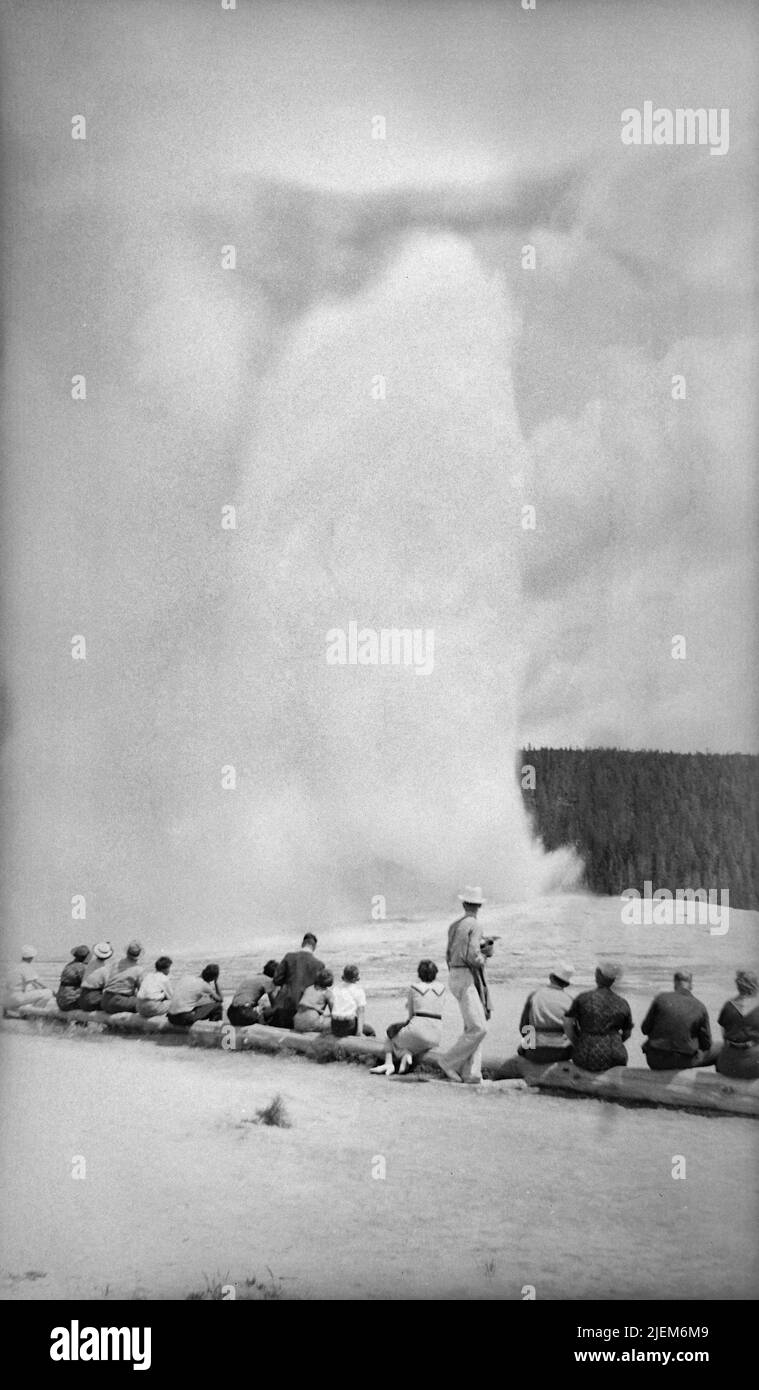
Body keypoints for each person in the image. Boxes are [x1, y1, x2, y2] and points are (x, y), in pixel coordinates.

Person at [437, 888, 495, 1085]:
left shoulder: (454, 926)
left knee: (472, 1025)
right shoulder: (476, 925)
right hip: (466, 976)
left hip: (454, 974)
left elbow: (448, 953)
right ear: (479, 906)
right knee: (479, 1028)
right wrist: (486, 954)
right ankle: (447, 1061)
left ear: (464, 904)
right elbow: (473, 956)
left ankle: (472, 1073)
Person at [371, 960, 446, 1077]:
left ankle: (391, 1062)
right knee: (410, 1039)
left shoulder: (414, 987)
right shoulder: (442, 987)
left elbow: (411, 1016)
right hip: (437, 1035)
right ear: (435, 973)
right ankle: (406, 1054)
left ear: (419, 974)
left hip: (418, 1030)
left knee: (391, 1034)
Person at [640, 969, 719, 1070]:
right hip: (682, 1061)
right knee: (721, 1048)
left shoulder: (660, 998)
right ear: (691, 985)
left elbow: (644, 1029)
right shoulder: (700, 1006)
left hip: (654, 1060)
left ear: (675, 983)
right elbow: (706, 1044)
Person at [563, 962, 633, 1072]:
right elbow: (627, 1034)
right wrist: (615, 1041)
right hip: (615, 1055)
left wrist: (578, 1042)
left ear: (597, 976)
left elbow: (567, 1025)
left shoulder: (582, 998)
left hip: (586, 1054)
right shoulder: (622, 1003)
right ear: (613, 980)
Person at [518, 962, 575, 1063]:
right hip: (562, 1052)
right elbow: (574, 1032)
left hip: (535, 1051)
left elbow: (523, 1027)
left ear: (551, 977)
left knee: (521, 1048)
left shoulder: (534, 995)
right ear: (567, 984)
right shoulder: (570, 1000)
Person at [268, 933, 325, 1029]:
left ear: (303, 943)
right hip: (303, 1010)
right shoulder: (319, 965)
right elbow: (319, 990)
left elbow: (276, 980)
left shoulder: (289, 957)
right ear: (314, 947)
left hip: (283, 1005)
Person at [715, 970, 759, 1080]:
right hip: (753, 1066)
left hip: (727, 1065)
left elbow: (724, 1036)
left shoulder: (728, 1005)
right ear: (755, 986)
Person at [227, 960, 279, 1027]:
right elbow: (274, 1004)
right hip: (245, 1013)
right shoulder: (268, 980)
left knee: (260, 1009)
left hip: (231, 1012)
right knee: (271, 1013)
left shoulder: (252, 977)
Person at [330, 964, 376, 1038]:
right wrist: (359, 1032)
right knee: (370, 1031)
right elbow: (361, 1012)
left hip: (335, 1025)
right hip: (348, 1025)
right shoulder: (358, 990)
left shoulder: (336, 988)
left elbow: (333, 1007)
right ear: (356, 978)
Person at [101, 940, 146, 1014]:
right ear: (139, 954)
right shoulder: (138, 969)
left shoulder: (116, 963)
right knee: (143, 1004)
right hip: (118, 1002)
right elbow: (142, 991)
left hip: (105, 1000)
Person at [4, 946, 54, 1011]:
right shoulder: (26, 966)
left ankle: (25, 1009)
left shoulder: (15, 967)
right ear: (31, 958)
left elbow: (7, 986)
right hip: (17, 998)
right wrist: (54, 991)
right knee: (48, 992)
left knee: (31, 987)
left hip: (8, 998)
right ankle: (34, 1012)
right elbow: (39, 982)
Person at [293, 968, 334, 1033]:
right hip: (311, 1021)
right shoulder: (327, 993)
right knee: (331, 1021)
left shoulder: (308, 988)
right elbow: (334, 1012)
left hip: (297, 1021)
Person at [78, 942, 115, 1011]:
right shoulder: (104, 969)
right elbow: (108, 986)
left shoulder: (91, 963)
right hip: (93, 999)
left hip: (82, 998)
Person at [55, 945, 91, 1012]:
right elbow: (88, 984)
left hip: (61, 1001)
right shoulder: (82, 968)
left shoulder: (69, 965)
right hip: (70, 1003)